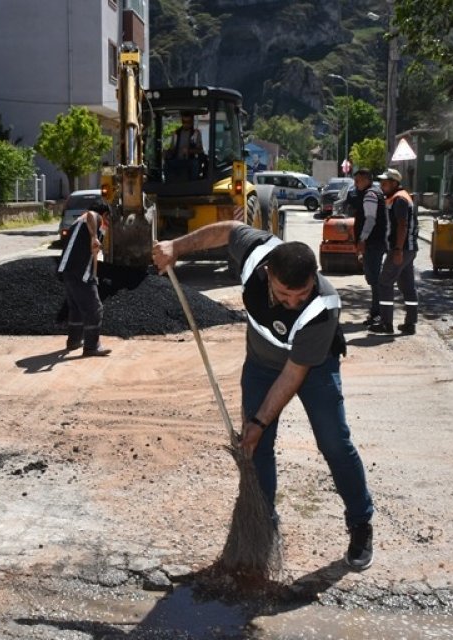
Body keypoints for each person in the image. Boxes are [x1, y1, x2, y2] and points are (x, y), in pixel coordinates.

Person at [152, 221, 375, 570]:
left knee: (334, 441)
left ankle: (360, 522)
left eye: (301, 295)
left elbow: (293, 374)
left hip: (312, 366)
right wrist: (176, 247)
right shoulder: (257, 253)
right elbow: (227, 230)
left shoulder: (323, 306)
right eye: (285, 295)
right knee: (256, 450)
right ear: (268, 273)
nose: (293, 303)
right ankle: (262, 524)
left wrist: (258, 420)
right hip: (261, 363)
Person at [57, 202, 112, 357]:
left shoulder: (78, 223)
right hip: (80, 271)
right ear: (105, 214)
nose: (107, 223)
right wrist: (94, 237)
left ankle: (74, 341)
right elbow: (91, 215)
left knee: (76, 308)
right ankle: (91, 347)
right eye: (108, 218)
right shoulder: (93, 217)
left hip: (68, 270)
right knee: (95, 309)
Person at [370, 169, 419, 335]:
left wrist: (397, 249)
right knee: (407, 286)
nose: (382, 185)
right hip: (409, 249)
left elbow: (402, 225)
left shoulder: (399, 199)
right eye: (381, 182)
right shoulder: (399, 196)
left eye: (385, 182)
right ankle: (410, 323)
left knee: (384, 283)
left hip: (401, 249)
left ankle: (386, 323)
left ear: (394, 183)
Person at [344, 168, 387, 325]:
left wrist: (362, 239)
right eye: (355, 181)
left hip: (373, 242)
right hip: (375, 241)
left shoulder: (370, 195)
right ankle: (377, 312)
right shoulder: (374, 193)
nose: (355, 184)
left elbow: (370, 220)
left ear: (368, 180)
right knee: (373, 278)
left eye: (358, 181)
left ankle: (378, 313)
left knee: (374, 279)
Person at [166, 114, 205, 180]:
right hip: (177, 160)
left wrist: (189, 151)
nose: (186, 124)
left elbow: (200, 150)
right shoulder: (176, 133)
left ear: (192, 122)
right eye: (184, 122)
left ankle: (193, 183)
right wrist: (167, 152)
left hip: (190, 160)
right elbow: (172, 149)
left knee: (195, 164)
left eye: (188, 122)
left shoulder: (196, 133)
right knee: (167, 164)